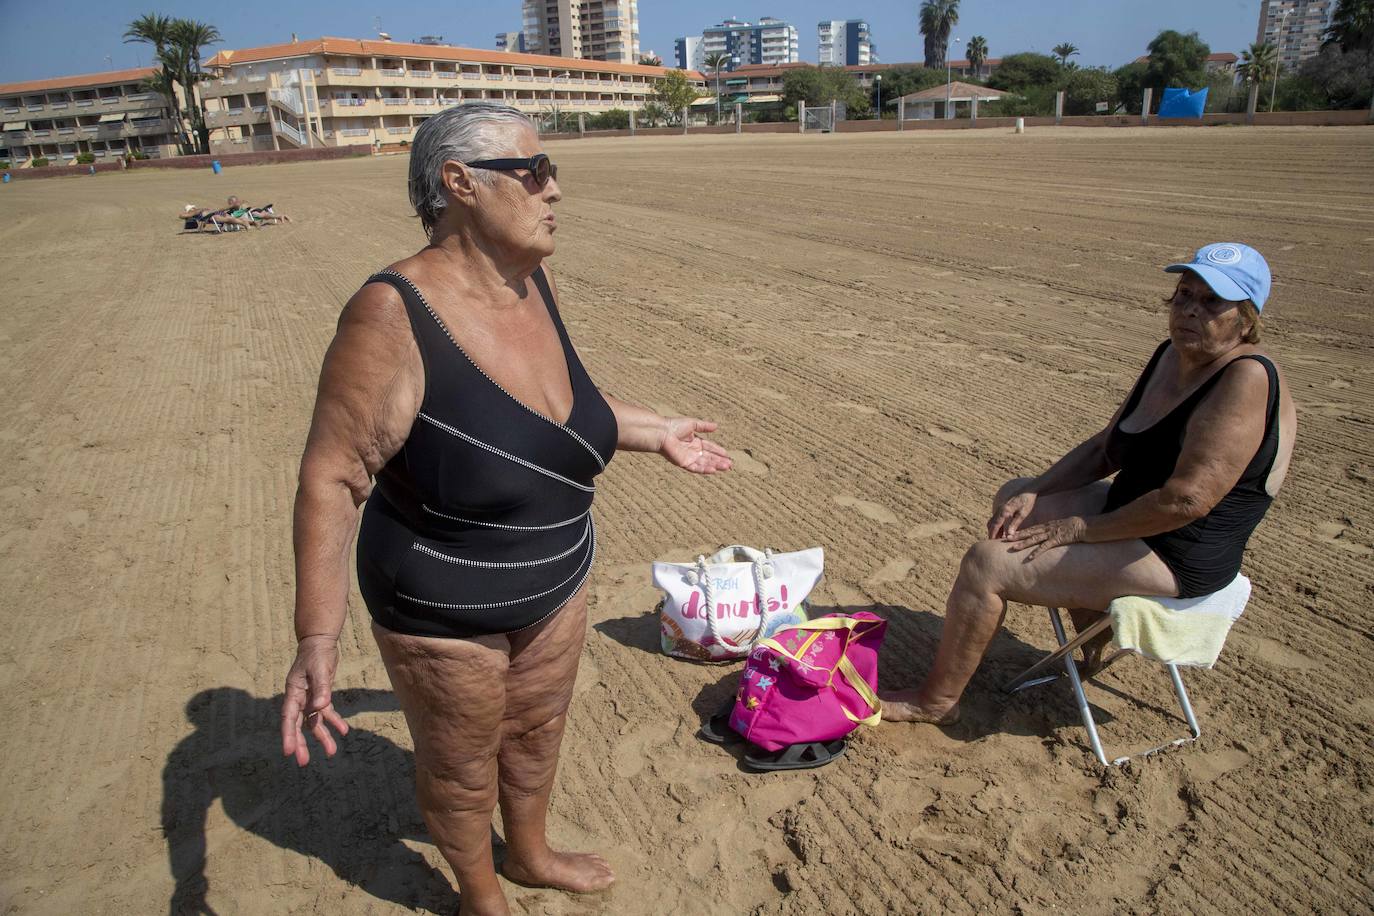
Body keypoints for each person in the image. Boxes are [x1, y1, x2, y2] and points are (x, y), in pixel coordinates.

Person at [280, 102, 732, 915]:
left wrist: (657, 429)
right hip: (441, 595)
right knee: (459, 765)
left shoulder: (533, 281)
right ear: (461, 183)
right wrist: (318, 636)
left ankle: (526, 852)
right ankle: (480, 894)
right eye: (535, 171)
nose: (554, 188)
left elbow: (559, 412)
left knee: (537, 729)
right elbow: (334, 475)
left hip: (554, 573)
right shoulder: (390, 313)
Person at [882, 243, 1296, 725]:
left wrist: (1079, 529)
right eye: (1184, 294)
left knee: (985, 565)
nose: (1188, 310)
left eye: (1211, 302)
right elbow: (1108, 448)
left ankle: (936, 703)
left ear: (1246, 320)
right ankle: (1093, 631)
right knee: (1015, 500)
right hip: (1136, 516)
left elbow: (1186, 501)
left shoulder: (1245, 379)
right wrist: (1036, 488)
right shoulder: (1174, 355)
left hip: (1177, 553)